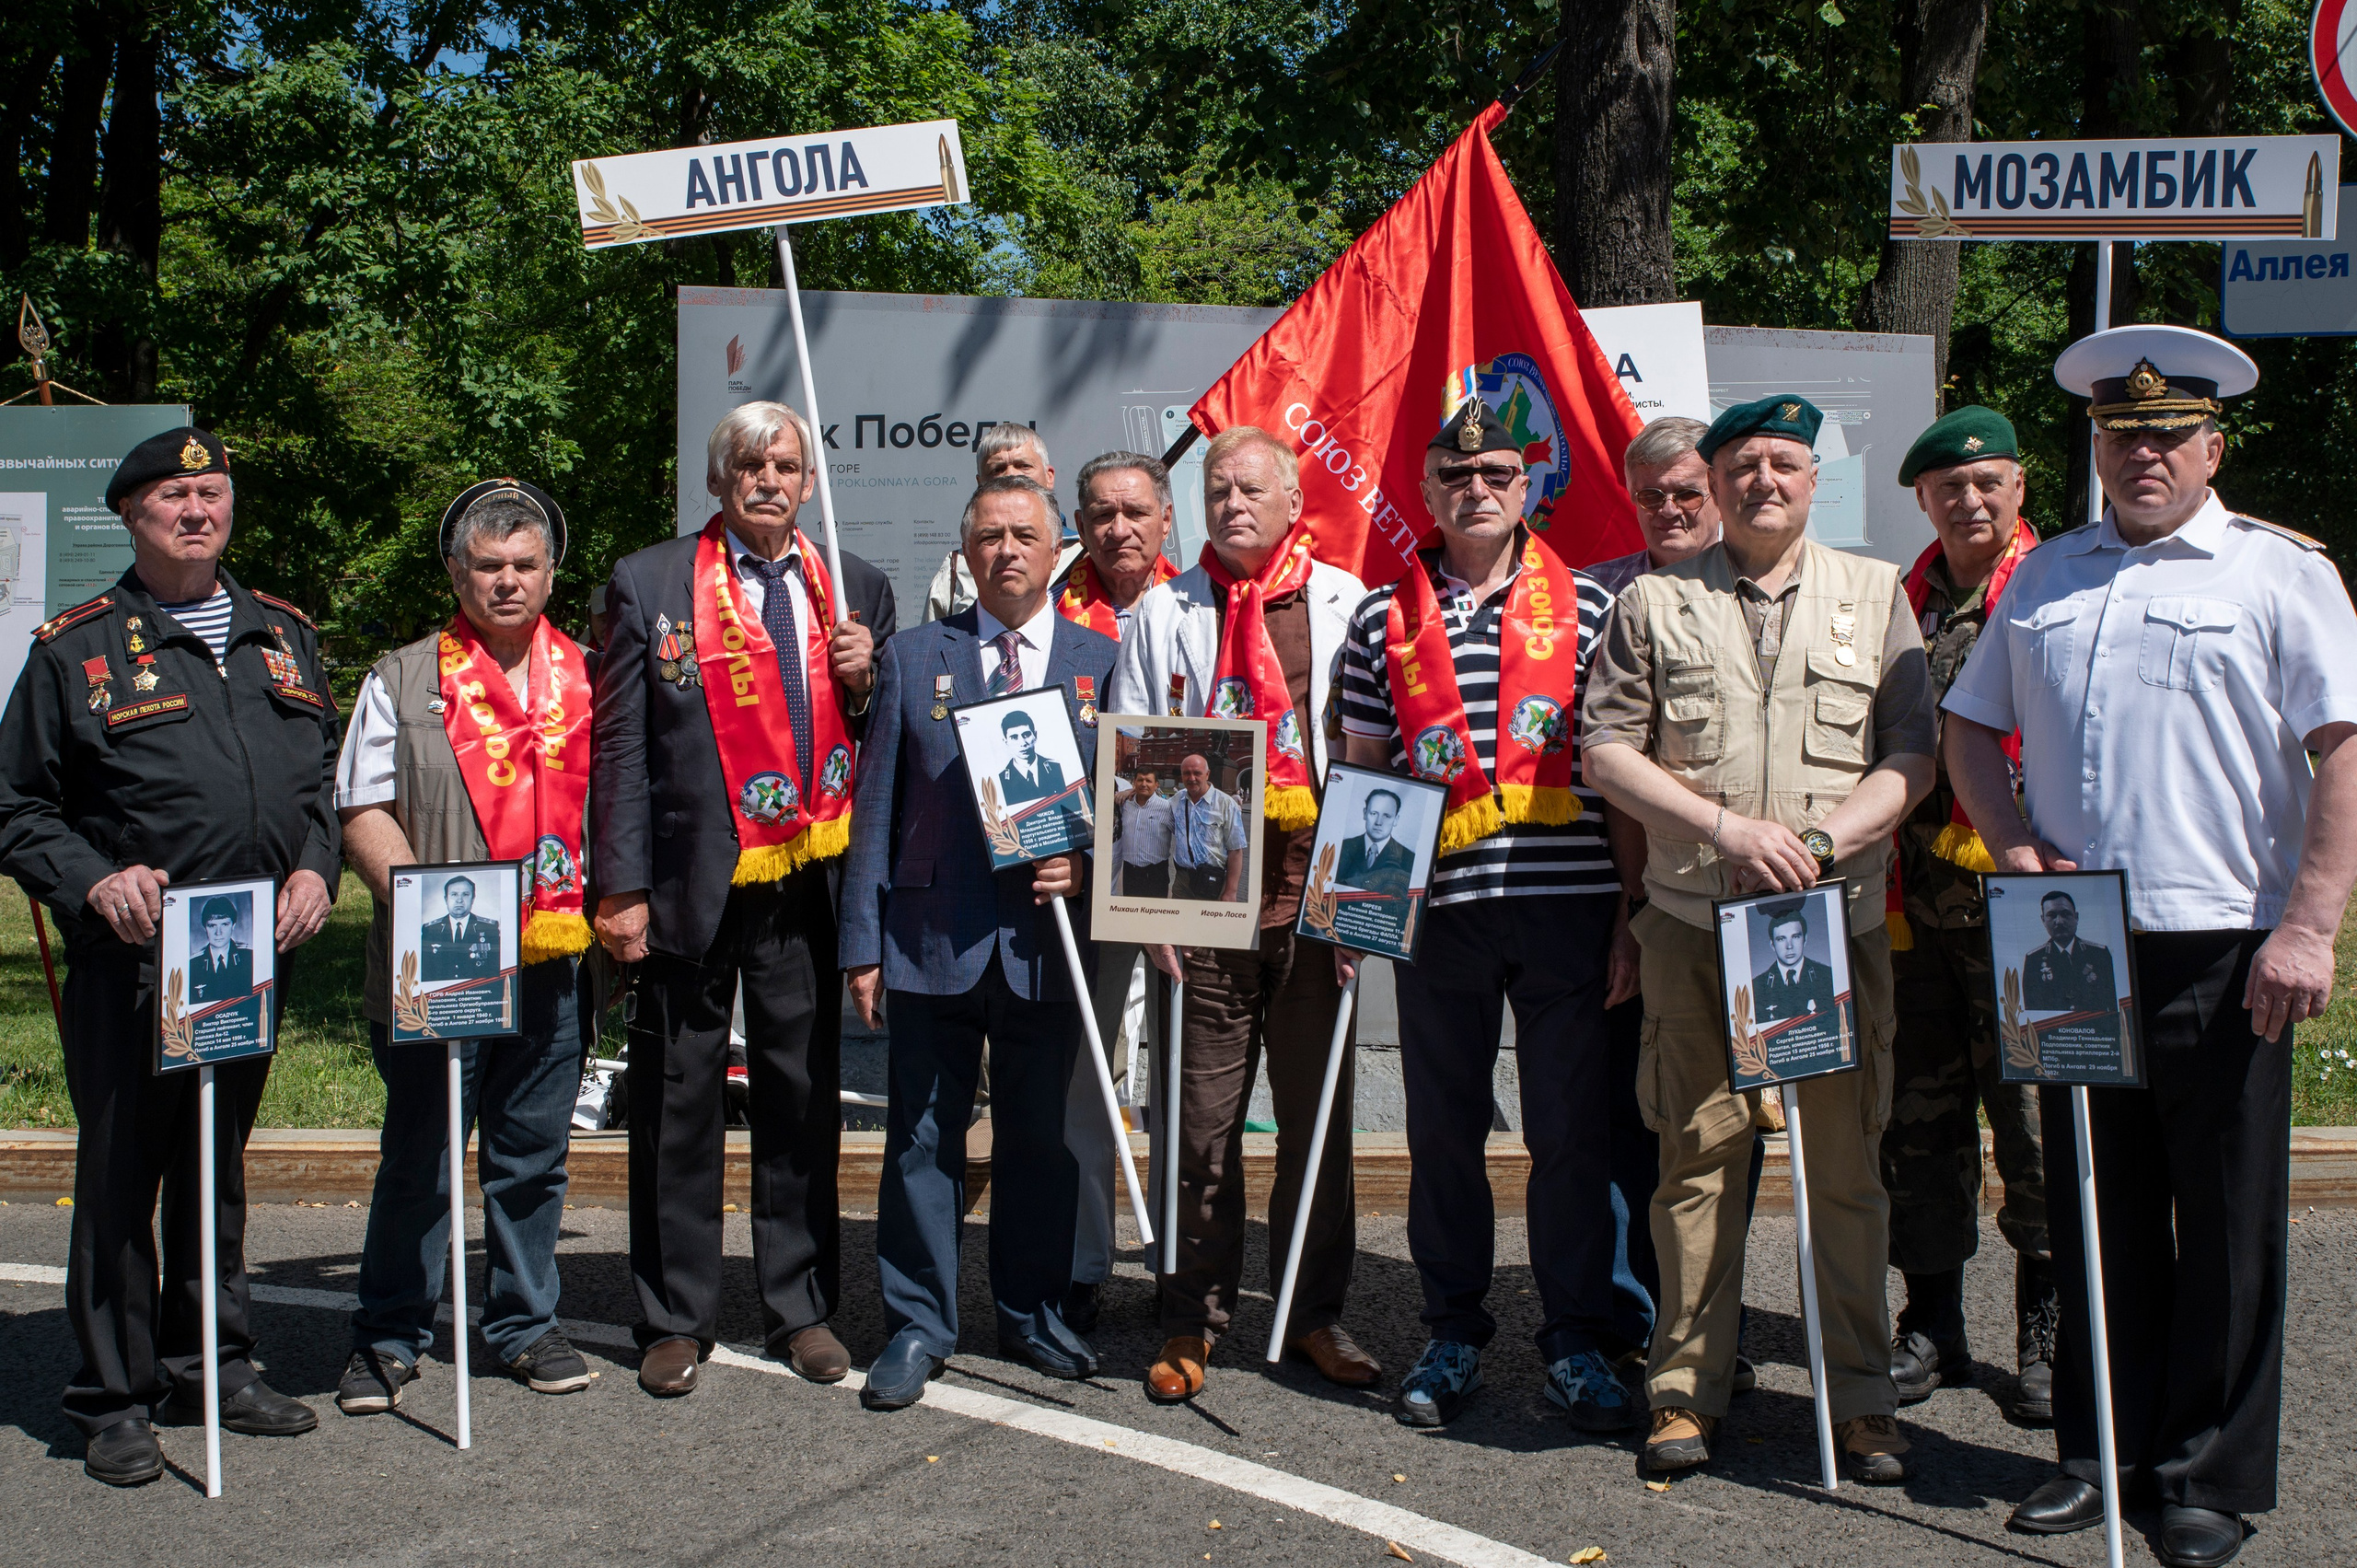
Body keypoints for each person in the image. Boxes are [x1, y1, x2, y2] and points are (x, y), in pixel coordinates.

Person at [1943, 325, 2357, 1568]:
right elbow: (1972, 728)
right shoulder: (2047, 574)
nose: (2145, 453)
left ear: (2213, 445)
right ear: (2097, 448)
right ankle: (2098, 1449)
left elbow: (2342, 748)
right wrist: (2010, 845)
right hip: (2071, 938)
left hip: (2228, 940)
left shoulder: (2280, 572)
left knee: (2225, 1220)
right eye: (2124, 436)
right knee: (2090, 1206)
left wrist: (2312, 921)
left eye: (2170, 435)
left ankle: (2206, 1473)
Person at [1580, 393, 1936, 1483]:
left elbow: (1912, 755)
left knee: (1843, 1169)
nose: (1761, 481)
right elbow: (1604, 749)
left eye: (1783, 463)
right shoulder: (1652, 603)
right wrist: (1722, 827)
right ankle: (1684, 1392)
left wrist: (1822, 840)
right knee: (1694, 1164)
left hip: (1831, 924)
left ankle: (1862, 1402)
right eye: (1741, 465)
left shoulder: (1874, 595)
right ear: (1716, 479)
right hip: (1694, 923)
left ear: (1813, 479)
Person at [0, 426, 340, 1484]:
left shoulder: (282, 634)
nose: (198, 510)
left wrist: (318, 869)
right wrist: (90, 880)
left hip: (247, 954)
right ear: (132, 515)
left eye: (212, 491)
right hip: (135, 958)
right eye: (172, 496)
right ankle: (110, 1395)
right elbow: (16, 805)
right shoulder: (77, 648)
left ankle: (215, 1363)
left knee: (214, 1167)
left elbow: (319, 780)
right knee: (120, 1175)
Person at [1334, 393, 1628, 1430]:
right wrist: (1351, 913)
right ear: (1424, 490)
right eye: (1455, 477)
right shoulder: (1380, 616)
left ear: (1528, 485)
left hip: (1570, 907)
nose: (1476, 490)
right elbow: (1365, 768)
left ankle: (1580, 1342)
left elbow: (1618, 769)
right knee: (1443, 1132)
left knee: (1569, 1136)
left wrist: (1631, 911)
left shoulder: (1591, 606)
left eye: (1496, 474)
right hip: (1441, 914)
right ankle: (1453, 1327)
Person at [593, 401, 894, 1395]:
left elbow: (879, 741)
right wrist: (622, 887)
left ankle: (800, 1305)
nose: (770, 479)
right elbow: (622, 748)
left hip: (807, 877)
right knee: (677, 1102)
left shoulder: (853, 586)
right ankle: (674, 1315)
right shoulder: (650, 581)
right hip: (686, 883)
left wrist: (866, 680)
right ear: (720, 479)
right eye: (751, 463)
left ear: (809, 482)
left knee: (799, 1095)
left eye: (788, 464)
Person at [1109, 424, 1376, 1402]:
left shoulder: (1348, 604)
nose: (1232, 504)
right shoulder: (1162, 610)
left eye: (1251, 488)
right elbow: (1132, 760)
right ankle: (1191, 1317)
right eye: (1217, 489)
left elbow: (1372, 757)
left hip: (1317, 904)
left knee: (1318, 1124)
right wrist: (1150, 911)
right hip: (1201, 903)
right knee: (1199, 1123)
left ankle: (1313, 1314)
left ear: (1294, 500)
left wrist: (1368, 904)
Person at [842, 474, 1119, 1408]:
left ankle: (1034, 1311)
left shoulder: (1100, 662)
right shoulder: (915, 657)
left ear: (1057, 550)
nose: (1006, 550)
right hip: (930, 939)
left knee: (1040, 1140)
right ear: (965, 554)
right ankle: (918, 1323)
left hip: (1047, 944)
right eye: (988, 536)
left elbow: (1130, 810)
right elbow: (874, 805)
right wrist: (862, 944)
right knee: (922, 1142)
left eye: (1023, 534)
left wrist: (1087, 868)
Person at [331, 478, 599, 1416]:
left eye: (525, 565)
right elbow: (362, 806)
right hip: (438, 957)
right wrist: (417, 908)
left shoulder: (591, 675)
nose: (507, 581)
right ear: (457, 571)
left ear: (550, 574)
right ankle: (389, 1333)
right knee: (420, 1155)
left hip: (552, 963)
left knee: (532, 1155)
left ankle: (525, 1323)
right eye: (488, 566)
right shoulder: (403, 677)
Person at [1880, 404, 2056, 1421]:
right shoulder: (1896, 600)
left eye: (1986, 481)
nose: (1968, 499)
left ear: (2018, 486)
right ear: (1923, 499)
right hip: (1914, 908)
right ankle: (1930, 1321)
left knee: (2034, 1117)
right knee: (1919, 1119)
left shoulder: (2054, 586)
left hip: (2028, 907)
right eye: (1949, 487)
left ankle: (2047, 1329)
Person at [1054, 451, 1179, 1331]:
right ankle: (1083, 1262)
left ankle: (1178, 1260)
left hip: (1178, 875)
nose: (1118, 529)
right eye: (1100, 513)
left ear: (1166, 518)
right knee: (1086, 1075)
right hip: (1081, 875)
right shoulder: (1049, 612)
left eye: (1135, 511)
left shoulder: (1207, 608)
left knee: (1184, 1074)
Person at [922, 424, 1082, 621]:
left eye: (1023, 466)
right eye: (998, 469)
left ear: (1049, 476)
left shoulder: (1086, 557)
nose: (1011, 476)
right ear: (980, 483)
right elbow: (932, 644)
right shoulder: (958, 565)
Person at [1587, 414, 1724, 598]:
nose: (1668, 510)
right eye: (1651, 496)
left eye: (1687, 495)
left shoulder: (1757, 588)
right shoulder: (1593, 592)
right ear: (1633, 498)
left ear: (1721, 498)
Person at [2019, 891, 2119, 1019]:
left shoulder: (2099, 954)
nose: (2059, 921)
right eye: (2052, 915)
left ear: (2076, 917)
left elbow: (2112, 1004)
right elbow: (2033, 1011)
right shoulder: (2034, 960)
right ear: (2043, 920)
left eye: (2065, 914)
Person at [1169, 751, 1248, 901]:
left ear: (1207, 774)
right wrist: (1132, 791)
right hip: (1182, 881)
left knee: (1208, 924)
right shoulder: (1177, 800)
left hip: (1212, 881)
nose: (1191, 778)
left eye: (1197, 773)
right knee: (1179, 924)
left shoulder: (1226, 804)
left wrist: (1231, 891)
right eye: (1186, 773)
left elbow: (1236, 850)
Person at [1749, 903, 1837, 1023]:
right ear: (1772, 945)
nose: (1789, 946)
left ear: (1804, 940)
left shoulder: (1828, 976)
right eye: (1781, 939)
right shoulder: (1757, 987)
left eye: (1795, 937)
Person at [418, 873, 501, 981]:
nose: (459, 900)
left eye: (465, 894)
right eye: (454, 894)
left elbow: (494, 970)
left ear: (473, 898)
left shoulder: (488, 928)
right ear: (445, 898)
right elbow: (425, 972)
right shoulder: (430, 930)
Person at [1334, 788, 1413, 897]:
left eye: (1386, 816)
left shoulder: (1409, 859)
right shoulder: (1341, 848)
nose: (1378, 822)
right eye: (1374, 813)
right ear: (1365, 813)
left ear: (1396, 820)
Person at [1114, 769, 1175, 898]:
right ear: (1134, 783)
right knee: (1131, 912)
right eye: (1140, 780)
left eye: (1148, 781)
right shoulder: (1125, 804)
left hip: (1156, 872)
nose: (1144, 784)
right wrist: (1126, 792)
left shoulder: (1167, 808)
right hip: (1131, 872)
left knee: (1155, 913)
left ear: (1157, 784)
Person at [187, 897, 254, 1003]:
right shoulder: (192, 965)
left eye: (224, 924)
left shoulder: (249, 957)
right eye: (212, 926)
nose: (218, 932)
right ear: (205, 928)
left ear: (233, 925)